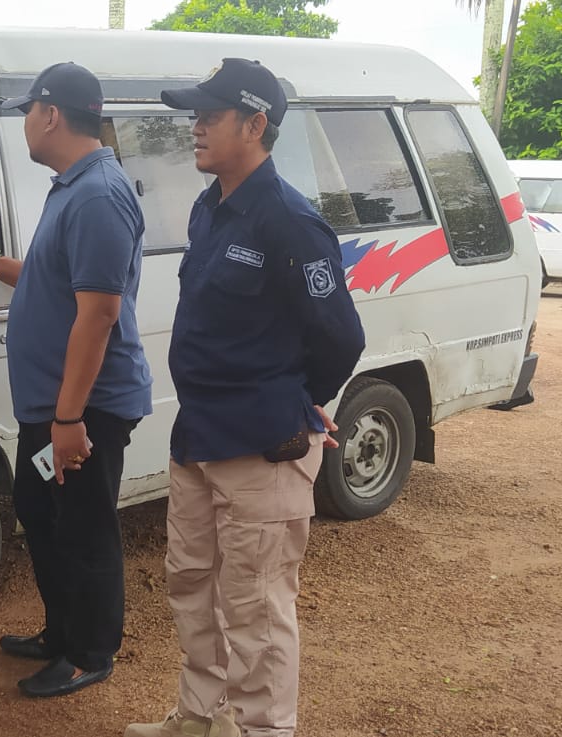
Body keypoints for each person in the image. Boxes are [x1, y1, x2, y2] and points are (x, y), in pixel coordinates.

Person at [125, 59, 366, 737]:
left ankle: (262, 729)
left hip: (263, 447)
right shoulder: (212, 207)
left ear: (255, 125)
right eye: (194, 115)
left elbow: (340, 337)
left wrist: (299, 398)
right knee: (192, 587)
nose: (194, 127)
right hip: (199, 438)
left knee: (257, 608)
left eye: (209, 116)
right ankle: (199, 718)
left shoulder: (291, 222)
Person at [0, 62, 153, 699]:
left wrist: (68, 421)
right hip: (53, 405)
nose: (26, 122)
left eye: (29, 111)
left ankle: (90, 652)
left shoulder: (97, 194)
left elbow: (99, 312)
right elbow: (55, 280)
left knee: (83, 527)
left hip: (85, 408)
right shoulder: (72, 186)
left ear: (51, 114)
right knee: (42, 512)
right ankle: (61, 633)